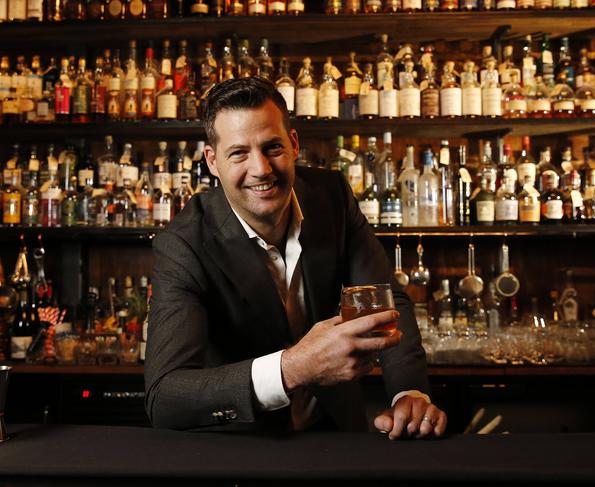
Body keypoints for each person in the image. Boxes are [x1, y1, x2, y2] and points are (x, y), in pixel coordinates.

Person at [144, 76, 447, 439]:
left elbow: (385, 299)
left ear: (293, 144)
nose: (261, 169)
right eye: (239, 153)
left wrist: (408, 394)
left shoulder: (331, 195)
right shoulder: (184, 243)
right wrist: (294, 368)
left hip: (334, 433)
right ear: (212, 161)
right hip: (241, 447)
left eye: (272, 147)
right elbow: (165, 397)